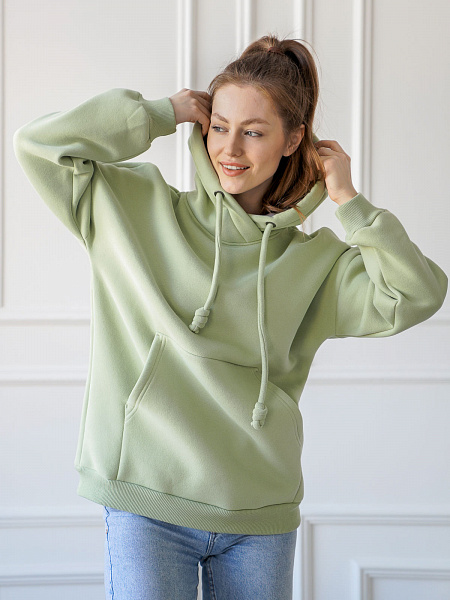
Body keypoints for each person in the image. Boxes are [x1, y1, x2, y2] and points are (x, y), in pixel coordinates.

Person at [13, 33, 447, 600]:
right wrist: (159, 113)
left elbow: (417, 294)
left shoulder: (315, 264)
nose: (230, 149)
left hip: (259, 517)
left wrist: (350, 203)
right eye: (219, 126)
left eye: (254, 132)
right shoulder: (133, 206)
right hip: (148, 502)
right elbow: (39, 145)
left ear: (294, 140)